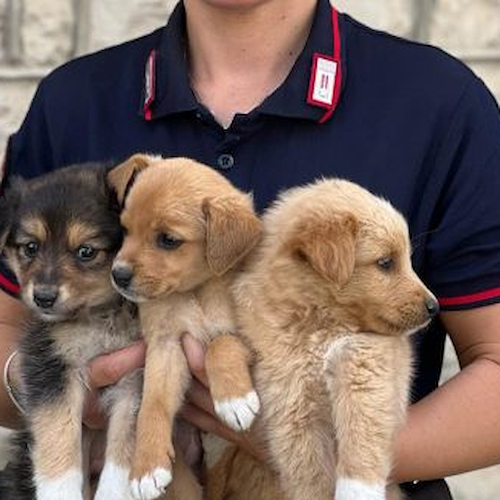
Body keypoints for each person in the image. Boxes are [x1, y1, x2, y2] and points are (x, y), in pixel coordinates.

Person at [1, 0, 500, 497]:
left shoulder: (440, 103)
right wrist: (59, 394)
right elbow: (5, 329)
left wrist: (314, 451)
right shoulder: (72, 102)